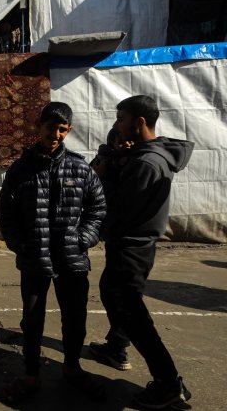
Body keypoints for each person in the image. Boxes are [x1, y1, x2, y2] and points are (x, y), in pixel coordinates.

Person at [0, 102, 107, 404]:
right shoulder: (21, 170)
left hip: (72, 260)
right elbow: (6, 211)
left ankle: (72, 368)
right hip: (35, 260)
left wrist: (83, 238)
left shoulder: (80, 167)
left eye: (62, 129)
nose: (55, 134)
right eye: (50, 127)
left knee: (75, 318)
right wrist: (19, 244)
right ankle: (31, 375)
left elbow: (98, 208)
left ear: (68, 131)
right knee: (31, 321)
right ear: (39, 126)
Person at [89, 95, 194, 409]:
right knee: (112, 292)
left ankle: (168, 382)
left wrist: (104, 178)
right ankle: (115, 345)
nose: (116, 124)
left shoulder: (147, 162)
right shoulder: (144, 154)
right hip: (131, 244)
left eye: (121, 118)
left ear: (140, 122)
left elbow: (120, 207)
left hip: (132, 246)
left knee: (133, 314)